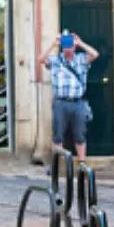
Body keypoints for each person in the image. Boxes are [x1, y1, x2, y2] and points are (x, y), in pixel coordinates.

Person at [37, 31, 99, 162]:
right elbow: (41, 59)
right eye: (65, 46)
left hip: (78, 103)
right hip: (60, 102)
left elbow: (95, 54)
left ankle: (82, 164)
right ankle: (57, 165)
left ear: (74, 47)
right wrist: (53, 44)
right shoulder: (56, 60)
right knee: (58, 135)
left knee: (80, 135)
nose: (67, 48)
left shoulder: (81, 59)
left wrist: (80, 42)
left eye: (70, 45)